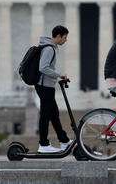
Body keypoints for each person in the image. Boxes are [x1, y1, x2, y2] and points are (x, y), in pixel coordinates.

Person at [35, 25, 73, 153]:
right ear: (58, 36)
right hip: (44, 86)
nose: (65, 40)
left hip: (47, 85)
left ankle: (64, 141)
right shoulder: (49, 48)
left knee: (54, 115)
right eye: (65, 37)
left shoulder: (49, 47)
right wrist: (59, 74)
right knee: (45, 115)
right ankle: (43, 144)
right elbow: (43, 67)